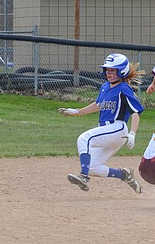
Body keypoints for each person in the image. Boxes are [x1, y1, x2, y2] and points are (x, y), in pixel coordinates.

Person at [58, 53, 145, 194]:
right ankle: (124, 175)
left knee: (84, 138)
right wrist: (77, 112)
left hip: (117, 129)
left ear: (121, 71)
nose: (109, 73)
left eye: (113, 70)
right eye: (107, 70)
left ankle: (83, 177)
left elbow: (135, 112)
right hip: (107, 133)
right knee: (93, 167)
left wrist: (133, 133)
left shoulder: (124, 88)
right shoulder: (105, 87)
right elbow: (98, 104)